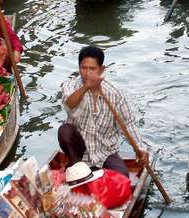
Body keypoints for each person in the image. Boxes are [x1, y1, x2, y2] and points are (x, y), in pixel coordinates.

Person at [59, 45, 149, 177]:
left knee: (122, 177)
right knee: (65, 130)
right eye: (83, 68)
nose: (87, 73)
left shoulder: (114, 93)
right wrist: (86, 87)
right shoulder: (70, 85)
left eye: (92, 68)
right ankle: (76, 167)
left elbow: (128, 124)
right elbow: (68, 105)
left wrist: (140, 149)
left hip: (105, 152)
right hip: (79, 152)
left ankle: (91, 172)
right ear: (79, 68)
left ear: (101, 70)